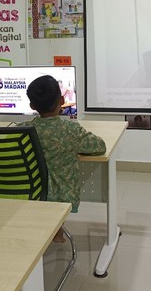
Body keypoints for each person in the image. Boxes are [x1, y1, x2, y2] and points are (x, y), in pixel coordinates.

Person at [21, 75, 106, 242]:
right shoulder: (70, 130)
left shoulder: (22, 131)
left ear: (32, 105)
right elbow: (99, 146)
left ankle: (52, 229)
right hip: (62, 196)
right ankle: (56, 228)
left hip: (30, 193)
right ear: (61, 100)